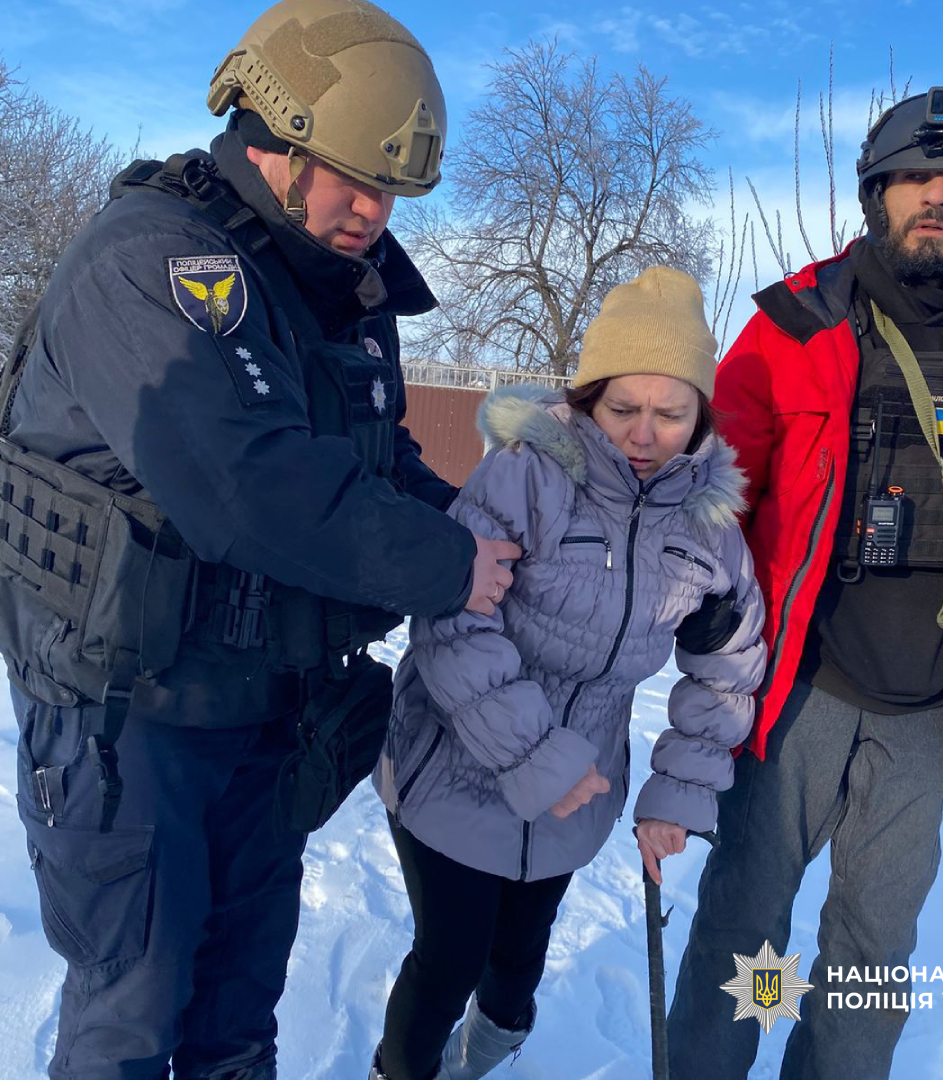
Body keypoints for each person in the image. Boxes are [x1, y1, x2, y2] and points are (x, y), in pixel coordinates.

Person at [0, 2, 520, 1077]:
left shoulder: (331, 286)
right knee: (131, 1020)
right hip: (128, 725)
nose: (373, 213)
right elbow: (250, 485)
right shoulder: (156, 261)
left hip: (261, 714)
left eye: (391, 193)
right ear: (273, 141)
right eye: (354, 180)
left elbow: (373, 462)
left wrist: (483, 524)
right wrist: (446, 567)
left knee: (239, 1017)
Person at [666, 87, 943, 1080]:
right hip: (801, 688)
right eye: (914, 178)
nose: (937, 195)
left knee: (872, 954)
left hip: (929, 710)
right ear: (875, 193)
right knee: (749, 930)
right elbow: (712, 486)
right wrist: (702, 596)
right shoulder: (795, 321)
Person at [368, 266, 767, 1080]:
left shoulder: (710, 526)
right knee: (449, 959)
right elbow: (453, 621)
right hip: (458, 765)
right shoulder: (528, 476)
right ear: (589, 400)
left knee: (515, 969)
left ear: (701, 417)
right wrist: (536, 760)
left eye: (670, 412)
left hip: (576, 793)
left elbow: (726, 668)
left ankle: (482, 1058)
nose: (644, 433)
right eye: (623, 408)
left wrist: (675, 795)